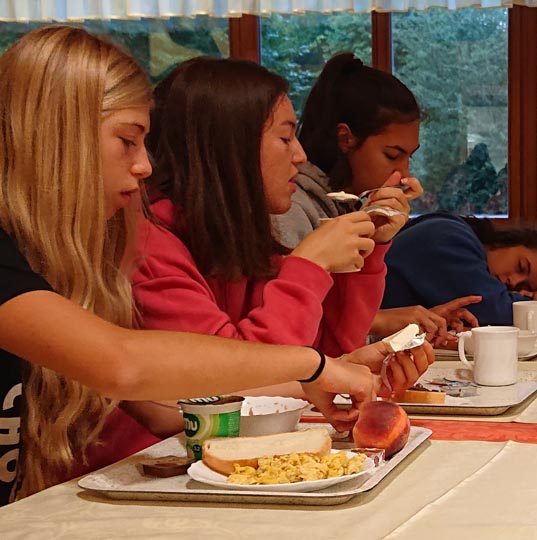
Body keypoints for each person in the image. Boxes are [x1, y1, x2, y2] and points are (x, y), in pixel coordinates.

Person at [0, 26, 428, 506]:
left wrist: (327, 372)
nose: (144, 166)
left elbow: (166, 403)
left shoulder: (83, 259)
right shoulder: (137, 244)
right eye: (127, 140)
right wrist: (312, 346)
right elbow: (123, 364)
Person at [131, 57, 430, 435]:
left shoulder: (238, 235)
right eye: (286, 138)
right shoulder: (150, 248)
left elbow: (316, 352)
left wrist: (347, 363)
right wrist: (309, 265)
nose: (300, 156)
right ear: (230, 147)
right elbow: (231, 382)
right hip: (153, 461)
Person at [272, 52, 479, 343]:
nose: (404, 174)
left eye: (409, 157)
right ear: (345, 138)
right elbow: (295, 340)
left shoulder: (349, 207)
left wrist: (399, 326)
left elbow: (342, 337)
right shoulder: (290, 210)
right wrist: (385, 322)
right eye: (392, 155)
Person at [383, 213, 537, 326]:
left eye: (524, 287)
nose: (513, 281)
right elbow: (491, 309)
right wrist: (536, 306)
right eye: (520, 267)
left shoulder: (456, 232)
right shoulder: (450, 238)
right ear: (508, 241)